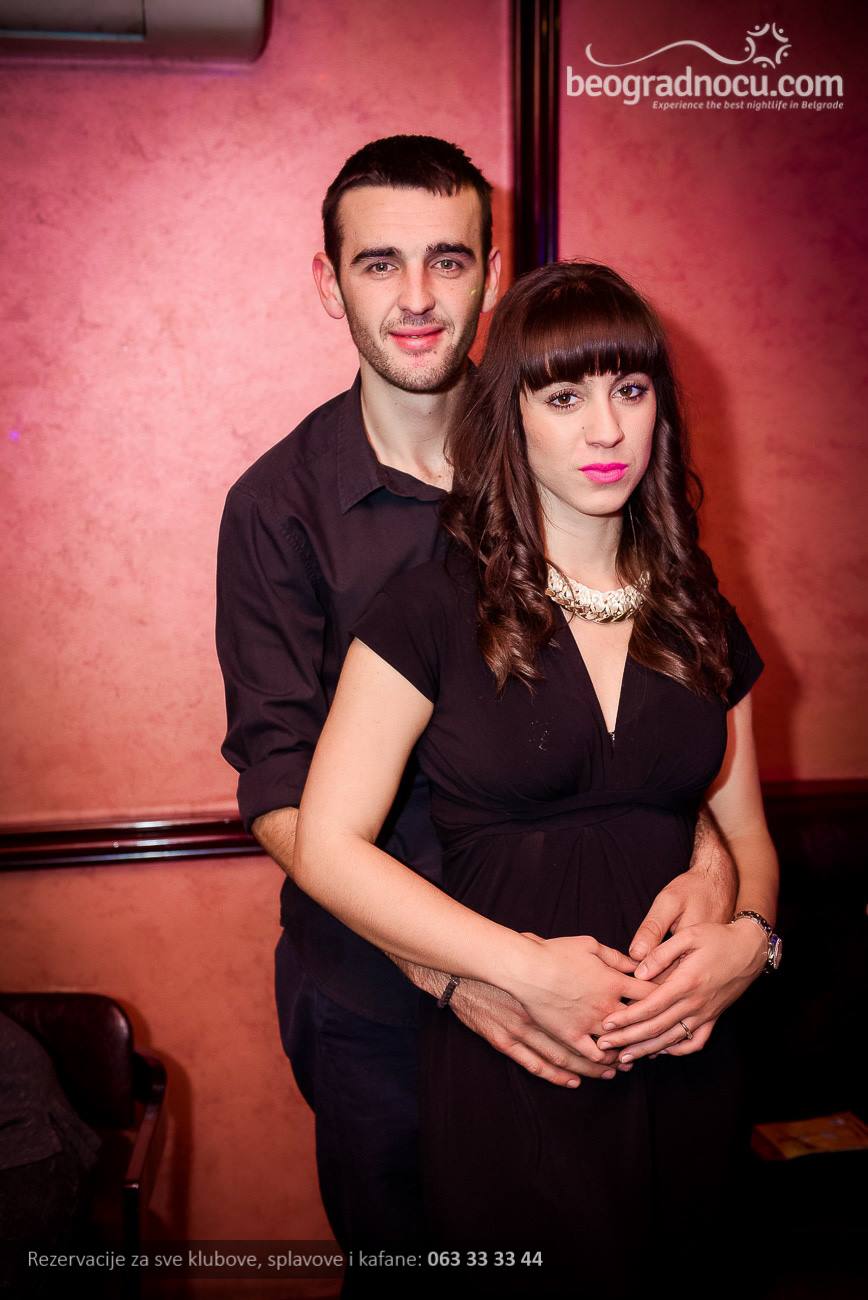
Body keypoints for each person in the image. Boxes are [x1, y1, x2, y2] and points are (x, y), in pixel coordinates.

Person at [216, 139, 740, 1267]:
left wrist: (719, 873)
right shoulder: (277, 509)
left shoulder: (581, 457)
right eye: (379, 264)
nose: (416, 298)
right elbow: (281, 790)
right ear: (330, 283)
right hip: (379, 991)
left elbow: (638, 723)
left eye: (447, 261)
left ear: (491, 276)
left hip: (601, 977)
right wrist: (463, 972)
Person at [292, 260, 780, 1295]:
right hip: (519, 1063)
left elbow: (745, 836)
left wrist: (751, 941)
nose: (606, 429)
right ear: (509, 418)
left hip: (690, 1056)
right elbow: (328, 847)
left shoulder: (699, 608)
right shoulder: (428, 610)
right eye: (563, 397)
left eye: (630, 389)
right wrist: (518, 969)